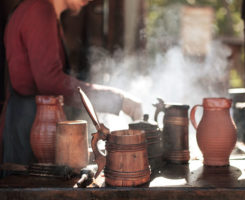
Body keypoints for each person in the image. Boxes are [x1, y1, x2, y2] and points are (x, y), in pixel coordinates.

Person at [0, 0, 143, 168]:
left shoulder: (38, 9)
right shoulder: (39, 9)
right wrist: (118, 100)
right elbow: (50, 82)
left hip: (26, 124)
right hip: (32, 130)